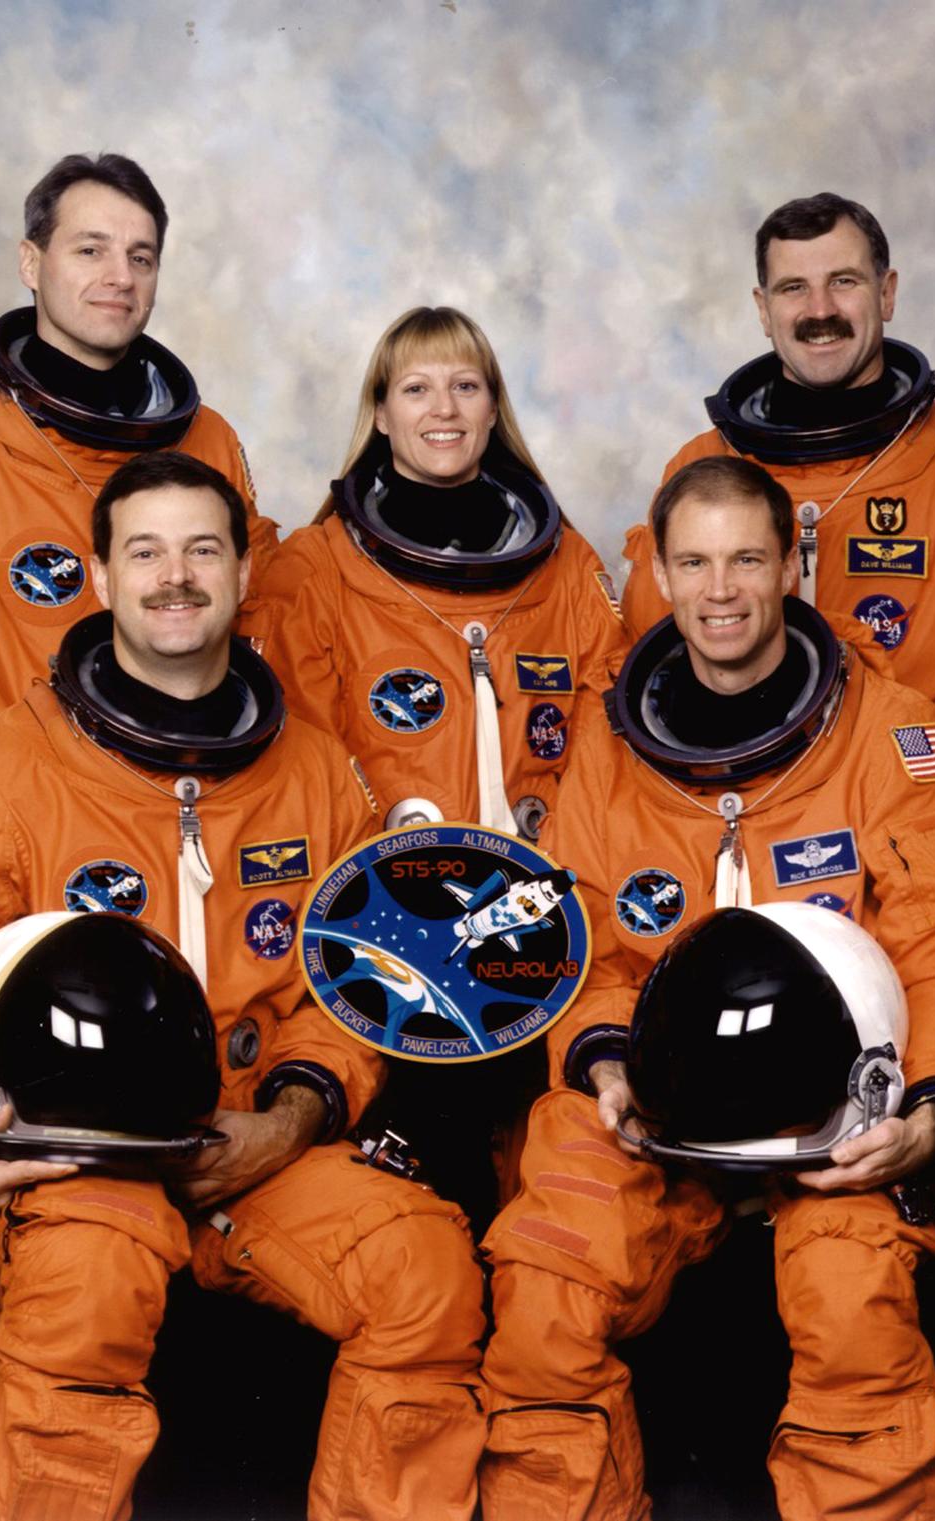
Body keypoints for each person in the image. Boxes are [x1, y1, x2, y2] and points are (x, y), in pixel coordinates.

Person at [0, 451, 488, 1521]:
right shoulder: (5, 766)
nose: (176, 577)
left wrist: (290, 1123)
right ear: (99, 578)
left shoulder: (311, 768)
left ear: (244, 574)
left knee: (427, 1272)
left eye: (203, 550)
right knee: (88, 1291)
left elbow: (352, 993)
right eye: (144, 552)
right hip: (69, 1150)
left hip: (245, 1143)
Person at [480, 454, 935, 1520]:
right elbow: (580, 937)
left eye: (745, 560)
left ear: (790, 567)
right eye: (694, 563)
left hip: (846, 1114)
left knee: (848, 1297)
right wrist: (607, 1064)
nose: (719, 591)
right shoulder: (612, 745)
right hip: (658, 1110)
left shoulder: (893, 732)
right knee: (545, 1294)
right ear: (662, 577)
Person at [240, 304, 629, 1224]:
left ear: (494, 408)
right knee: (434, 1193)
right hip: (392, 929)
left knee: (559, 1184)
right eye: (415, 386)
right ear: (379, 411)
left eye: (465, 384)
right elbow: (302, 768)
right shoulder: (316, 572)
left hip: (553, 922)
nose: (442, 407)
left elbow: (612, 746)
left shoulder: (567, 565)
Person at [618, 194, 935, 833]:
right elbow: (651, 674)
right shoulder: (699, 471)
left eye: (843, 282)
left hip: (916, 819)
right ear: (763, 309)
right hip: (737, 818)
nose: (820, 312)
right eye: (793, 288)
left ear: (887, 293)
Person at [0, 151, 275, 760]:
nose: (120, 277)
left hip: (191, 800)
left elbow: (252, 633)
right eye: (90, 250)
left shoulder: (208, 441)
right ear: (31, 263)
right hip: (21, 818)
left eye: (140, 257)